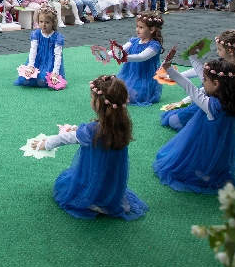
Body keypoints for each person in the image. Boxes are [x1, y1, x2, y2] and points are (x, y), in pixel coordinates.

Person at [32, 75, 148, 221]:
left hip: (94, 170)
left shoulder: (94, 130)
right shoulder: (122, 125)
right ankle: (107, 200)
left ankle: (93, 201)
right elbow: (81, 134)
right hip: (112, 173)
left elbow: (66, 138)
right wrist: (76, 129)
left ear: (99, 104)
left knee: (67, 184)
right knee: (106, 179)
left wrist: (46, 144)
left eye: (92, 98)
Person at [154, 56, 235, 194]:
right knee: (219, 157)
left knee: (200, 161)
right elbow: (200, 78)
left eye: (204, 80)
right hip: (223, 145)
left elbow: (190, 88)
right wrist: (193, 56)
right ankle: (216, 173)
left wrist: (170, 69)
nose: (202, 82)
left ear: (216, 84)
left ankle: (205, 174)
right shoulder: (230, 102)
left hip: (208, 144)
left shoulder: (212, 106)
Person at [162, 30, 235, 131]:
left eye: (219, 49)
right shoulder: (232, 66)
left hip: (213, 108)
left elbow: (202, 85)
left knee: (174, 121)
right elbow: (206, 75)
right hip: (219, 107)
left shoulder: (230, 73)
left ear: (231, 51)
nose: (217, 52)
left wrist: (190, 59)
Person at [115, 11, 163, 106]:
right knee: (116, 89)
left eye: (141, 27)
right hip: (130, 74)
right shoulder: (134, 40)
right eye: (137, 26)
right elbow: (122, 49)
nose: (137, 29)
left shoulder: (154, 45)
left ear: (152, 30)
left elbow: (141, 57)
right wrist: (108, 54)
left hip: (145, 77)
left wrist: (123, 57)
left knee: (134, 96)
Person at [14, 4, 64, 88]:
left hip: (50, 62)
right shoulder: (36, 34)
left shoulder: (57, 37)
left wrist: (55, 72)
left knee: (43, 80)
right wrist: (31, 66)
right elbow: (33, 50)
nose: (43, 25)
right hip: (38, 61)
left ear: (53, 23)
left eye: (47, 22)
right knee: (27, 78)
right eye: (41, 22)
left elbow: (58, 55)